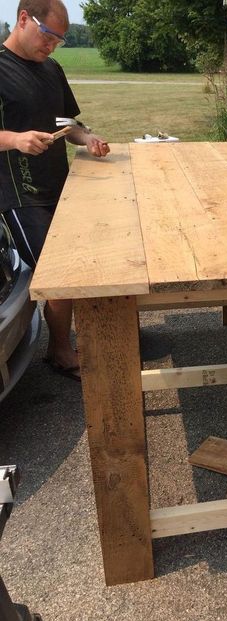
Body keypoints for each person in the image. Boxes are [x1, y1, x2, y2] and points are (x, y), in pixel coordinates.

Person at [0, 0, 110, 381]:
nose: (53, 46)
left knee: (84, 263)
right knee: (60, 272)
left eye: (59, 40)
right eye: (48, 37)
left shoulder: (51, 69)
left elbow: (67, 121)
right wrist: (14, 139)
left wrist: (87, 137)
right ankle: (62, 351)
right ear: (24, 19)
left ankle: (77, 341)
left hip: (59, 187)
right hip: (17, 194)